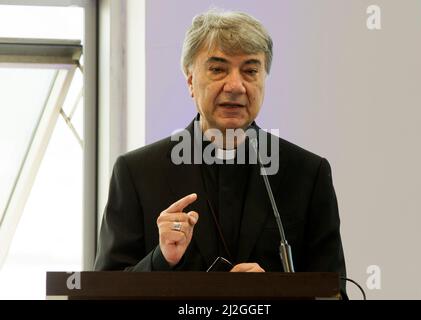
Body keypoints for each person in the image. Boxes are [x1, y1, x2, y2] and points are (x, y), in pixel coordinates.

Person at [94, 8, 347, 296]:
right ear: (190, 80)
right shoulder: (138, 173)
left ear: (264, 80)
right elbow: (103, 293)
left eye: (250, 70)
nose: (236, 86)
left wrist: (277, 292)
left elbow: (335, 292)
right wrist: (161, 258)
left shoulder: (306, 174)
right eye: (218, 69)